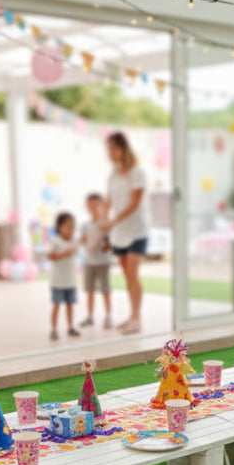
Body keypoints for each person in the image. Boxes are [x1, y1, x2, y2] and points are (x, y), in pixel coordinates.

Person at [101, 132, 149, 335]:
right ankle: (132, 316)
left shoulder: (137, 172)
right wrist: (102, 219)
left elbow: (134, 202)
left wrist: (114, 220)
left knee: (133, 273)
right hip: (119, 233)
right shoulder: (113, 175)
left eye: (113, 148)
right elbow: (108, 201)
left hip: (137, 231)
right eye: (108, 149)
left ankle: (136, 318)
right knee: (127, 276)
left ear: (123, 148)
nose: (110, 153)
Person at [79, 192, 113, 329]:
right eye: (90, 206)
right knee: (90, 290)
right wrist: (85, 242)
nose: (93, 209)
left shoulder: (106, 224)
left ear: (102, 206)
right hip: (89, 262)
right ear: (86, 207)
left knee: (105, 290)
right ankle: (90, 317)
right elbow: (82, 241)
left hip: (103, 262)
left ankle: (108, 316)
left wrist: (104, 238)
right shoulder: (85, 225)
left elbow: (109, 246)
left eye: (96, 206)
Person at [47, 212, 81, 341]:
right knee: (56, 305)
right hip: (57, 282)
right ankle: (54, 329)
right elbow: (51, 256)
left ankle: (70, 327)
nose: (71, 229)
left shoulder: (74, 241)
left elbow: (80, 246)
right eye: (68, 226)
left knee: (70, 305)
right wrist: (64, 254)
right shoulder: (55, 241)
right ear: (59, 226)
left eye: (73, 226)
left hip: (71, 281)